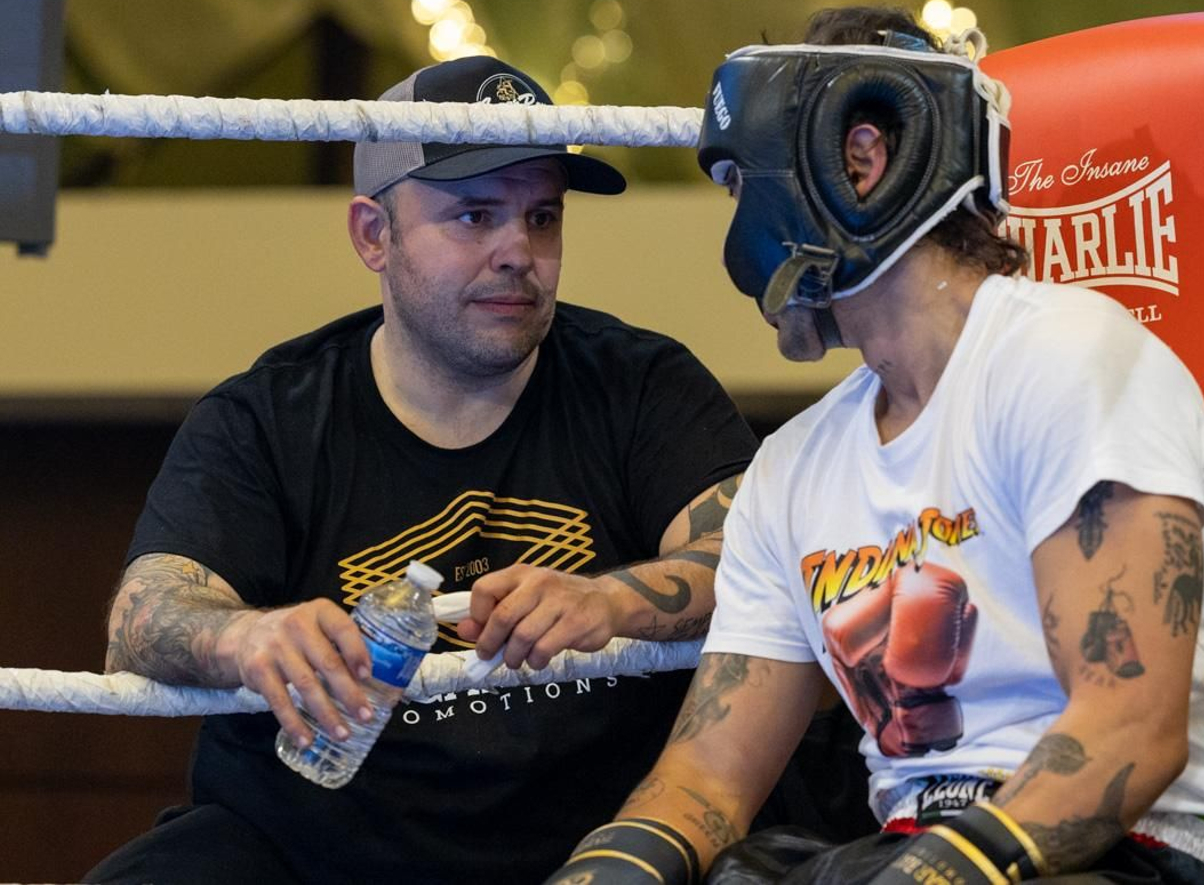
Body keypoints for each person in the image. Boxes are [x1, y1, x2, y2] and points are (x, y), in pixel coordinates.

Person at [541, 7, 1204, 885]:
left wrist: (934, 873)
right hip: (904, 848)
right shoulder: (793, 468)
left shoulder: (1065, 358)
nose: (735, 237)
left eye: (742, 187)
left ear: (860, 161)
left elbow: (1130, 728)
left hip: (1126, 851)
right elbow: (705, 780)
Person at [88, 55, 757, 884]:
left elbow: (755, 560)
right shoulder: (268, 416)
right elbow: (142, 614)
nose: (519, 251)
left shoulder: (643, 384)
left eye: (542, 217)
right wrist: (246, 635)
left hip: (585, 845)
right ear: (374, 234)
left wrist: (610, 598)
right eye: (475, 216)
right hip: (320, 853)